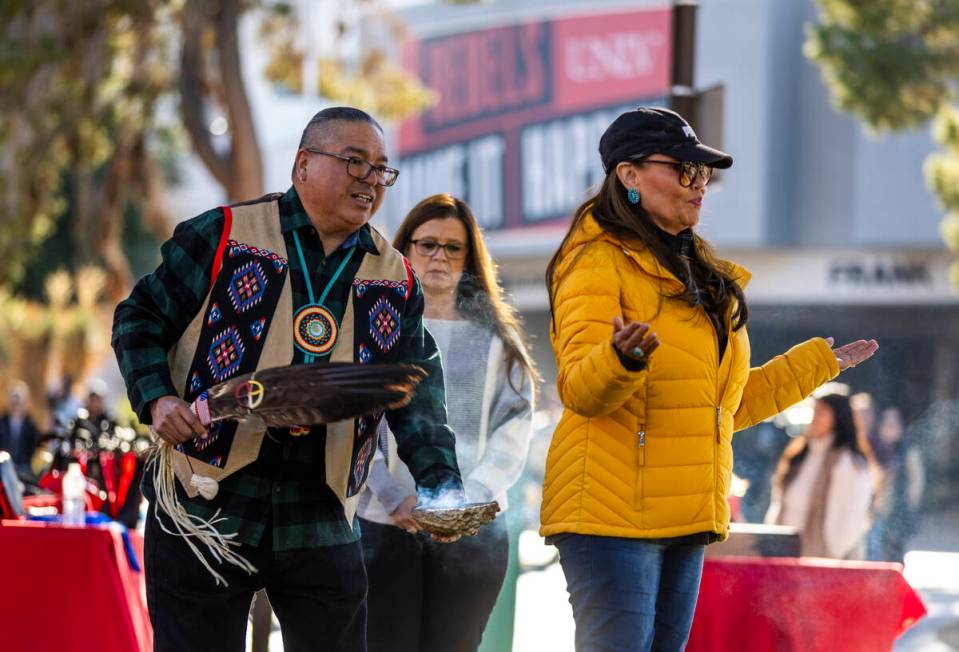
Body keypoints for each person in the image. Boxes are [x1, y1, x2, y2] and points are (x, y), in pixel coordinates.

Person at [112, 107, 463, 652]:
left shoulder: (394, 278)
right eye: (354, 162)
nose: (371, 180)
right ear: (303, 164)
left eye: (381, 169)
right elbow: (139, 318)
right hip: (206, 496)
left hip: (320, 503)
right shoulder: (224, 234)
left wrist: (442, 484)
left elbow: (416, 391)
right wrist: (156, 398)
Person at [539, 106, 879, 652]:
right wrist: (622, 360)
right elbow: (580, 389)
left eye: (704, 174)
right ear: (628, 175)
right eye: (683, 170)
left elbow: (720, 410)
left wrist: (815, 368)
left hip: (686, 516)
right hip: (610, 518)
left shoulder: (699, 274)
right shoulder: (596, 261)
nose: (699, 185)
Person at [358, 194, 537, 652]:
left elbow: (514, 427)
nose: (439, 256)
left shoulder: (498, 340)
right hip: (384, 522)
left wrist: (469, 497)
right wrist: (392, 493)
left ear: (469, 257)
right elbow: (360, 421)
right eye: (428, 244)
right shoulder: (375, 332)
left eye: (453, 247)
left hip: (472, 531)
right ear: (406, 251)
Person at [765, 394, 879, 559]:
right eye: (814, 411)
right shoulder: (800, 454)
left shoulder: (849, 462)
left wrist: (832, 555)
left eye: (822, 412)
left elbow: (850, 516)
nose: (815, 418)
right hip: (787, 551)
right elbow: (779, 501)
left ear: (838, 417)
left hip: (824, 557)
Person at [869, 406, 925, 562]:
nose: (890, 425)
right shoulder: (873, 447)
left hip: (898, 507)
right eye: (887, 421)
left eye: (894, 422)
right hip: (876, 508)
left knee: (895, 548)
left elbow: (916, 479)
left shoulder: (907, 449)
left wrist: (911, 502)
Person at [0, 381, 40, 477]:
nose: (16, 405)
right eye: (14, 402)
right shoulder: (2, 423)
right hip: (3, 467)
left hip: (24, 468)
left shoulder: (30, 425)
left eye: (19, 402)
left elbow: (34, 446)